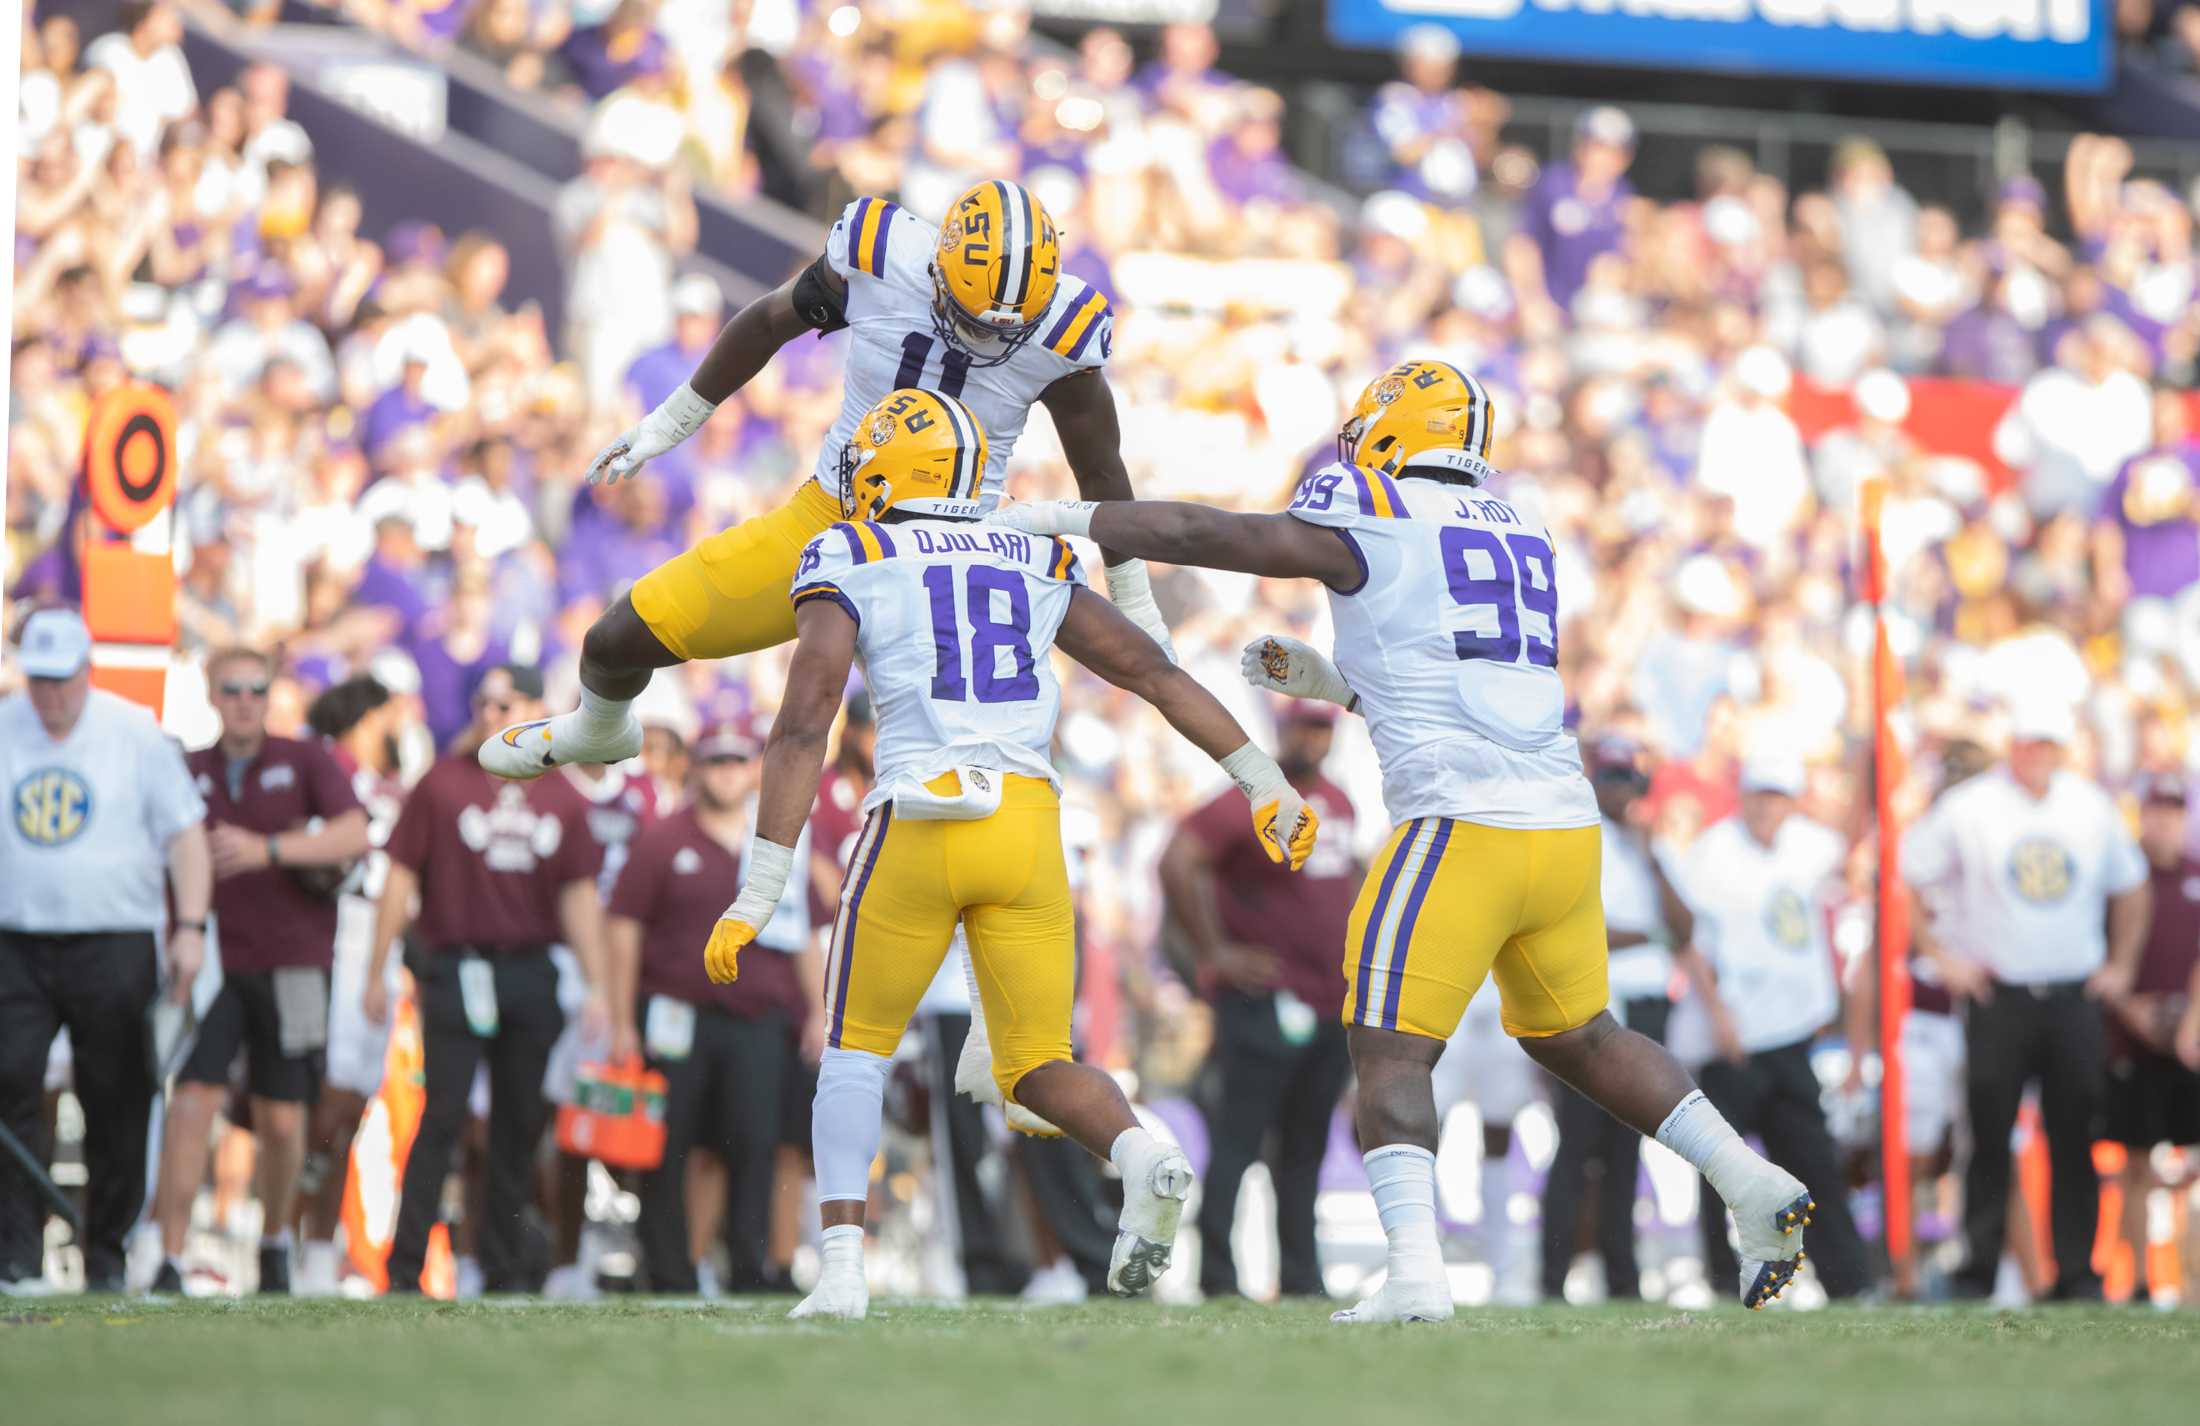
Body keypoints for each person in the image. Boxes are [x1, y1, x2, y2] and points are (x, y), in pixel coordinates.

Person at [1000, 360, 1815, 1322]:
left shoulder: (1372, 502)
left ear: (1395, 430)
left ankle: (1418, 1279)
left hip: (1461, 825)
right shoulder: (1525, 527)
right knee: (1581, 1036)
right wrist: (1335, 684)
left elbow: (1204, 533)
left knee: (1388, 1052)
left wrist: (1053, 519)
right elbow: (1465, 675)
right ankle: (1750, 1186)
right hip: (1559, 824)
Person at [702, 388, 1320, 1320]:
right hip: (1027, 827)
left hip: (918, 818)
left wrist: (760, 885)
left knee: (854, 1053)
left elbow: (802, 726)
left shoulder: (852, 550)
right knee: (1035, 1063)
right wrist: (1262, 779)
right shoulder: (1028, 550)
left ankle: (839, 1270)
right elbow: (1151, 671)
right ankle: (1142, 1153)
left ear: (881, 470)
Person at [478, 179, 1174, 788]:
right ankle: (598, 729)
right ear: (936, 269)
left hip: (958, 556)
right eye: (968, 317)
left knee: (960, 761)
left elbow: (1101, 473)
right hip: (831, 517)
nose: (984, 341)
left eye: (1007, 329)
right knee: (615, 638)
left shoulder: (1065, 333)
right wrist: (671, 423)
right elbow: (768, 321)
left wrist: (1136, 598)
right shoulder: (881, 258)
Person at [362, 664, 618, 1294]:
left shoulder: (561, 791)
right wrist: (377, 969)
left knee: (519, 1122)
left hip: (531, 969)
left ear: (535, 709)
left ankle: (503, 1270)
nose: (492, 714)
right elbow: (399, 879)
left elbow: (580, 900)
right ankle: (404, 1268)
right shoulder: (444, 784)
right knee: (443, 1115)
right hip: (457, 965)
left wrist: (600, 987)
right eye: (483, 702)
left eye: (506, 703)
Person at [1902, 700, 2151, 1302]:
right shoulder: (1972, 806)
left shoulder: (2090, 806)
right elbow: (1909, 871)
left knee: (2074, 1136)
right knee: (1987, 1135)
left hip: (2072, 995)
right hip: (2000, 994)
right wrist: (1942, 958)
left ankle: (2077, 1272)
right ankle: (1977, 1269)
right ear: (2013, 745)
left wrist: (2120, 966)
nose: (2036, 755)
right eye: (2029, 743)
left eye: (2047, 745)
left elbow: (2133, 887)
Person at [0, 609, 210, 1295]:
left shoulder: (133, 733)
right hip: (16, 939)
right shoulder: (6, 726)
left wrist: (190, 927)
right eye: (40, 681)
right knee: (10, 1089)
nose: (51, 696)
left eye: (63, 680)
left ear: (87, 670)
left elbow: (185, 836)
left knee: (118, 1096)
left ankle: (108, 1252)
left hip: (114, 938)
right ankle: (18, 1256)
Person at [152, 648, 370, 1296]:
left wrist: (268, 850)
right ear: (213, 697)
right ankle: (166, 1254)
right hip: (213, 957)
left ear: (268, 695)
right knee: (192, 1101)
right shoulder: (187, 767)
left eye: (255, 689)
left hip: (294, 957)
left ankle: (276, 1242)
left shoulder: (304, 759)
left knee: (283, 1115)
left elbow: (355, 834)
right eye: (232, 690)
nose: (244, 700)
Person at [1160, 700, 1358, 1301]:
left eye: (1323, 727)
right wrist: (1214, 952)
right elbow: (1177, 860)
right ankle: (1218, 1275)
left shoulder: (1342, 799)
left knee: (1306, 1146)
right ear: (1280, 728)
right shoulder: (1253, 794)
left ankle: (1302, 1277)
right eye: (1303, 725)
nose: (1313, 739)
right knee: (1239, 1140)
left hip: (1328, 999)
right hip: (1264, 998)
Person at [608, 721, 816, 1294]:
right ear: (696, 768)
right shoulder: (663, 839)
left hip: (758, 1016)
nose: (725, 772)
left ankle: (750, 1267)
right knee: (667, 1145)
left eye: (736, 761)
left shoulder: (776, 845)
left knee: (756, 1142)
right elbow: (624, 926)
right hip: (678, 1013)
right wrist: (622, 1017)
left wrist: (818, 1011)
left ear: (753, 769)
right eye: (715, 761)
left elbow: (805, 931)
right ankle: (667, 1267)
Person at [1675, 755, 1869, 1302]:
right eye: (1760, 794)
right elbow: (1691, 941)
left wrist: (1867, 759)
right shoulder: (1713, 853)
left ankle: (1849, 1279)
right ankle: (1720, 1276)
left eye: (1777, 796)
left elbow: (1851, 853)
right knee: (1718, 1168)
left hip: (1790, 1034)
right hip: (1733, 1038)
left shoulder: (1808, 846)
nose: (1767, 806)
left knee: (1815, 1164)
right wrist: (1718, 1016)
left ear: (1791, 801)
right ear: (1744, 795)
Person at [1540, 734, 1692, 1303]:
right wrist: (1648, 934)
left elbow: (1687, 928)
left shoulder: (1646, 846)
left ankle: (1622, 1279)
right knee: (1577, 1144)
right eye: (1610, 777)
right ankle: (1552, 1278)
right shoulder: (1575, 835)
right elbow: (1578, 927)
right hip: (1591, 1000)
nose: (1620, 789)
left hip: (1648, 1004)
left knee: (1629, 1146)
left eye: (1628, 779)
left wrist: (1652, 855)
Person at [296, 674, 410, 1295]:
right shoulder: (324, 771)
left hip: (381, 939)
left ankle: (319, 1248)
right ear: (367, 718)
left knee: (354, 1104)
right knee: (326, 1097)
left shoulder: (387, 784)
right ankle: (286, 1232)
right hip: (338, 935)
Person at [2104, 772, 2200, 1305]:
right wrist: (2129, 1008)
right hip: (2131, 1037)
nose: (2164, 823)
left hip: (2190, 1037)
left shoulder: (2195, 877)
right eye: (2155, 812)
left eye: (2173, 812)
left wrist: (2189, 1023)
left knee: (2191, 1163)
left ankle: (2190, 1282)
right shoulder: (2124, 879)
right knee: (2136, 1160)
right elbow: (2101, 954)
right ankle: (2138, 1281)